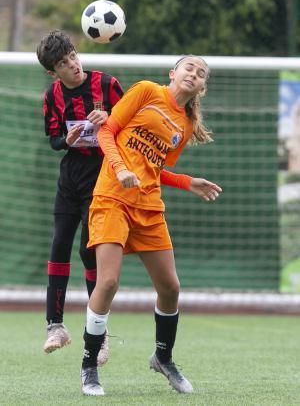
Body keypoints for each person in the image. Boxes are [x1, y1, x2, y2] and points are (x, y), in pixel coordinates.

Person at [79, 55, 222, 396]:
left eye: (201, 73)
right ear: (173, 73)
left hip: (148, 206)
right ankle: (88, 368)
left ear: (202, 86)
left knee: (170, 287)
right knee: (109, 281)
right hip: (112, 198)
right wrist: (120, 170)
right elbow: (106, 132)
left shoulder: (184, 125)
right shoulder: (145, 91)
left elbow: (154, 168)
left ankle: (163, 357)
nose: (194, 73)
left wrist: (187, 182)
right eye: (189, 68)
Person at [36, 29, 123, 365]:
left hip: (102, 181)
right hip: (69, 180)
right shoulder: (52, 96)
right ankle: (55, 326)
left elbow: (131, 124)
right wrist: (68, 140)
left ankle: (98, 336)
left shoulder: (107, 85)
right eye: (62, 62)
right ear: (52, 71)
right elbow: (54, 140)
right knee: (59, 245)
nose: (72, 64)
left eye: (72, 55)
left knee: (90, 253)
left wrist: (111, 118)